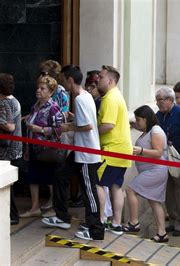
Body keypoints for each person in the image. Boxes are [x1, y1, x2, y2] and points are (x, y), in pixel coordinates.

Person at [41, 65, 104, 241]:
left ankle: (95, 231)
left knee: (88, 192)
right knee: (60, 176)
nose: (63, 83)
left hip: (86, 154)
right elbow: (87, 121)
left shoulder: (80, 99)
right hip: (78, 152)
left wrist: (68, 126)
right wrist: (74, 118)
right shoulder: (86, 96)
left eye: (63, 79)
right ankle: (62, 217)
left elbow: (88, 126)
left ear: (70, 80)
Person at [96, 65, 133, 235]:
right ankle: (116, 224)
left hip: (111, 150)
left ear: (110, 81)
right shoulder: (116, 95)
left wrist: (91, 131)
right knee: (116, 186)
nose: (98, 79)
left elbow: (108, 125)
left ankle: (100, 221)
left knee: (98, 183)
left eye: (101, 77)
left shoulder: (110, 98)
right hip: (122, 150)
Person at [20, 75, 64, 218]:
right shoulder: (36, 105)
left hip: (47, 149)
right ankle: (35, 207)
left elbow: (59, 130)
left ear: (50, 92)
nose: (38, 90)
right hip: (33, 147)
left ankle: (54, 207)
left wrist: (41, 130)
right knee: (33, 177)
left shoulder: (53, 107)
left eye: (42, 88)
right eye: (38, 87)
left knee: (50, 177)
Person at [124, 105, 169, 242]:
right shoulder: (148, 130)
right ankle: (162, 233)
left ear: (146, 119)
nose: (137, 123)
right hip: (151, 170)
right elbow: (139, 126)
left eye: (139, 120)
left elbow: (158, 152)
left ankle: (134, 222)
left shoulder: (156, 131)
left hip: (155, 170)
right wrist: (131, 123)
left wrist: (141, 151)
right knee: (154, 201)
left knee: (130, 189)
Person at [155, 87, 180, 237]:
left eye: (160, 100)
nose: (158, 103)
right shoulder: (159, 115)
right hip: (164, 157)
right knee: (169, 191)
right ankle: (173, 220)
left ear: (170, 100)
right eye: (157, 100)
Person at [0, 73, 22, 225]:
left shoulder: (2, 103)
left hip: (6, 148)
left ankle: (12, 215)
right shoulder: (15, 101)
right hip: (15, 146)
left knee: (5, 181)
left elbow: (9, 126)